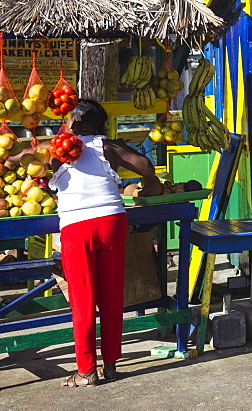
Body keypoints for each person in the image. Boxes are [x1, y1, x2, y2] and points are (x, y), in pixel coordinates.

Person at [51, 100, 162, 387]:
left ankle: (86, 371)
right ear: (103, 126)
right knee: (112, 296)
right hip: (112, 222)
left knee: (83, 300)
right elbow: (145, 165)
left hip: (78, 227)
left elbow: (37, 171)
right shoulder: (108, 147)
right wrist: (151, 183)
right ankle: (110, 365)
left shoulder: (61, 149)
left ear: (72, 123)